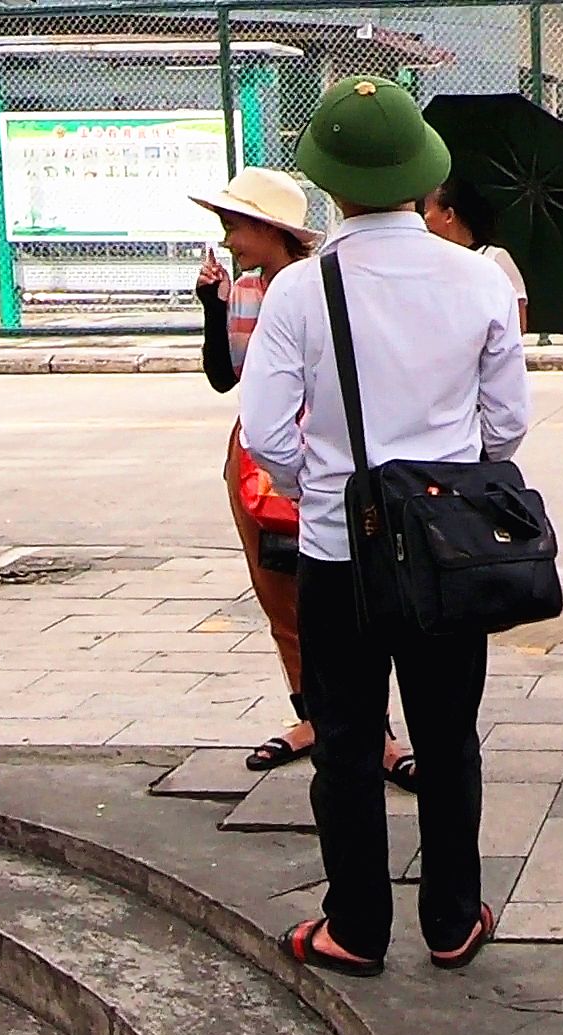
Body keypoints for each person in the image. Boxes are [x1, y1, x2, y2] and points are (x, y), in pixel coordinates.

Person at [243, 76, 529, 975]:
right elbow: (508, 425)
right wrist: (445, 475)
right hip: (448, 554)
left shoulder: (299, 290)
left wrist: (326, 488)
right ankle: (453, 920)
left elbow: (266, 436)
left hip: (339, 556)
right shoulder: (479, 277)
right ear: (424, 176)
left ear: (330, 184)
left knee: (345, 743)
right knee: (448, 740)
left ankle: (356, 928)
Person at [189, 168, 416, 792]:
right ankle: (310, 714)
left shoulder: (322, 285)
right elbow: (225, 376)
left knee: (346, 598)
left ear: (270, 229)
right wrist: (213, 306)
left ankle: (377, 732)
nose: (227, 240)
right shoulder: (243, 290)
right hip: (257, 461)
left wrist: (301, 475)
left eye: (234, 226)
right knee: (279, 596)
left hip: (322, 458)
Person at [421, 178, 528, 333]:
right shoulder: (431, 263)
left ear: (449, 215)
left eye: (426, 211)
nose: (423, 220)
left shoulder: (495, 258)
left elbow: (518, 324)